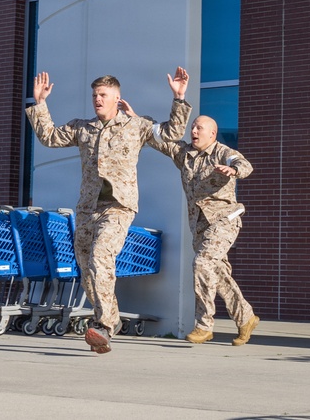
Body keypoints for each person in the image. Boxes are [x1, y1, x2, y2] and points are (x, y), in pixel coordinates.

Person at [25, 69, 185, 354]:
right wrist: (40, 104)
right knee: (86, 268)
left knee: (101, 257)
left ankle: (104, 325)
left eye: (103, 95)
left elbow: (172, 134)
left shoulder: (137, 125)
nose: (97, 100)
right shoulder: (83, 127)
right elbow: (49, 137)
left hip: (118, 207)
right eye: (94, 95)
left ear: (117, 98)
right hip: (87, 208)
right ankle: (110, 321)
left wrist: (179, 97)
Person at [152, 67, 259, 346]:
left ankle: (204, 325)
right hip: (199, 224)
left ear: (213, 134)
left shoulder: (224, 151)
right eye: (193, 127)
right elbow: (159, 138)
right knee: (218, 272)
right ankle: (246, 317)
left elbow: (244, 165)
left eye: (200, 127)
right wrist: (132, 118)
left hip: (225, 219)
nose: (194, 130)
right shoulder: (185, 154)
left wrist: (234, 171)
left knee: (201, 264)